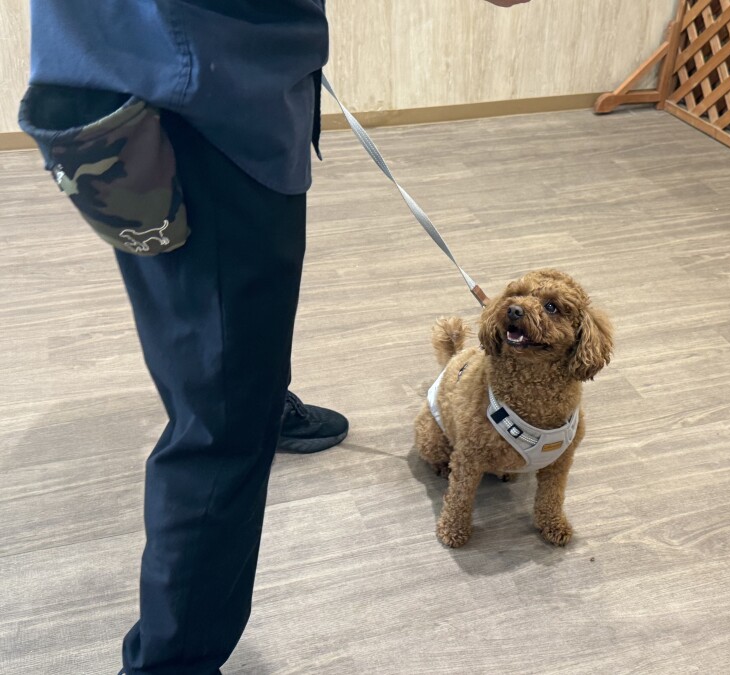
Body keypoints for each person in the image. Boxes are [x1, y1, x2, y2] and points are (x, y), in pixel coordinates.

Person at [21, 0, 531, 673]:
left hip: (140, 68)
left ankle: (258, 393)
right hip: (198, 95)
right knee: (221, 427)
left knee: (217, 340)